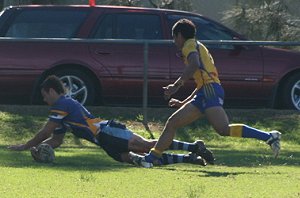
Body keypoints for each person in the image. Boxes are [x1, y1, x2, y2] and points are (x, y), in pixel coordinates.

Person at [135, 19, 281, 167]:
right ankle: (152, 157)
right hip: (206, 91)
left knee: (223, 129)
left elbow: (194, 65)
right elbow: (201, 83)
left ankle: (269, 137)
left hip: (209, 91)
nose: (174, 41)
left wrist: (176, 86)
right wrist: (183, 102)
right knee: (172, 123)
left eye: (174, 37)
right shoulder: (196, 45)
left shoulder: (188, 45)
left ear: (179, 35)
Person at [8, 75, 214, 167]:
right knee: (141, 159)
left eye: (45, 96)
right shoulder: (62, 110)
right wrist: (39, 149)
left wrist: (25, 146)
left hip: (106, 132)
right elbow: (56, 140)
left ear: (52, 91)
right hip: (104, 143)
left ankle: (193, 146)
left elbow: (45, 132)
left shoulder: (61, 104)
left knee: (146, 147)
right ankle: (190, 158)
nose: (44, 100)